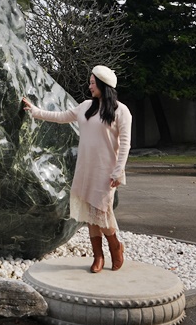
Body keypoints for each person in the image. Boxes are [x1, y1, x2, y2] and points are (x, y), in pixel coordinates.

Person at [22, 65, 132, 272]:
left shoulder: (121, 111)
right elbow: (60, 117)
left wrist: (119, 171)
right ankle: (98, 257)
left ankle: (116, 247)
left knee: (102, 211)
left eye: (92, 83)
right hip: (85, 168)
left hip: (106, 171)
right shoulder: (85, 107)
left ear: (103, 85)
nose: (89, 86)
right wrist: (35, 111)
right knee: (90, 213)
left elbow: (125, 144)